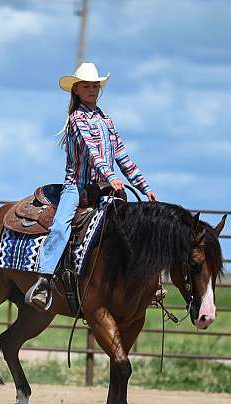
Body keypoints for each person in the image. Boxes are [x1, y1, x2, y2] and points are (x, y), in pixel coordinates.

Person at [25, 62, 157, 310]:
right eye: (86, 86)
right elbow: (92, 151)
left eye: (95, 85)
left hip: (106, 188)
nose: (92, 89)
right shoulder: (76, 119)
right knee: (61, 227)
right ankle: (44, 281)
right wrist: (109, 175)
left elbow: (122, 155)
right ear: (76, 90)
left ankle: (140, 281)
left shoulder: (106, 119)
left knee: (131, 228)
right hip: (77, 186)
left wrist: (142, 186)